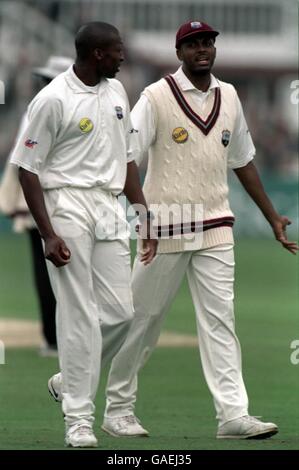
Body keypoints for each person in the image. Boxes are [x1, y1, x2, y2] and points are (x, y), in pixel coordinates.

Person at [97, 21, 298, 439]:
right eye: (193, 45)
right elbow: (126, 154)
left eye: (208, 43)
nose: (203, 50)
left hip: (216, 228)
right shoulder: (155, 97)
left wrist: (272, 217)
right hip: (166, 228)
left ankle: (232, 415)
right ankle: (115, 408)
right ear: (179, 52)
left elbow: (242, 159)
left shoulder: (229, 96)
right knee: (141, 321)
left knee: (220, 321)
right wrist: (142, 216)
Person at [10, 21, 157, 448]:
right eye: (117, 51)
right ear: (96, 54)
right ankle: (78, 420)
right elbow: (27, 169)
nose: (123, 56)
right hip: (66, 204)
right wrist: (47, 232)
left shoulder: (116, 91)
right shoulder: (52, 99)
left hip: (108, 205)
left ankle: (67, 379)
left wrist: (143, 214)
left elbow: (127, 158)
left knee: (120, 314)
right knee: (77, 314)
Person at [0, 56, 73, 357]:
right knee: (51, 275)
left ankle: (56, 337)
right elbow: (23, 162)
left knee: (55, 274)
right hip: (45, 203)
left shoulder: (43, 107)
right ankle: (54, 338)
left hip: (54, 202)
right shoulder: (43, 108)